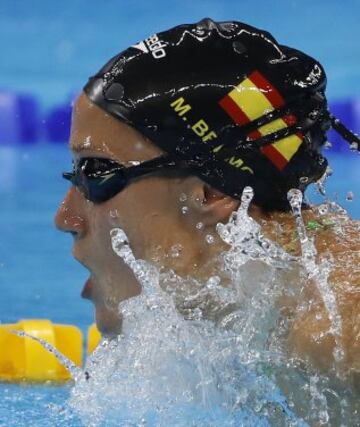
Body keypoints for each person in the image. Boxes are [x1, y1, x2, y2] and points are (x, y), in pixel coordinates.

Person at [55, 18, 360, 374]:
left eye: (97, 174)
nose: (65, 218)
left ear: (212, 193)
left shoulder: (335, 330)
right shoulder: (255, 319)